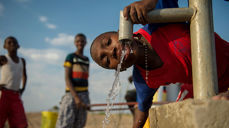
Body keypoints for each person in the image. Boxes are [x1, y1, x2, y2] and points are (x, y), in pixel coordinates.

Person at [90, 0, 229, 127]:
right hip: (203, 85)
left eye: (108, 42)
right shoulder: (143, 78)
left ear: (122, 31)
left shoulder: (156, 22)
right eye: (107, 60)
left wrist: (149, 3)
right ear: (120, 69)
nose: (111, 52)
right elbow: (142, 109)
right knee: (182, 117)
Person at [56, 33, 90, 128]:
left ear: (85, 43)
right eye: (78, 41)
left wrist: (86, 100)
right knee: (66, 122)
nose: (80, 43)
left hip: (84, 94)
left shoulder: (87, 59)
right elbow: (67, 78)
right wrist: (75, 97)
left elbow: (85, 78)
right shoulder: (70, 57)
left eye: (82, 41)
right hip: (71, 94)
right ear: (75, 43)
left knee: (80, 123)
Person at [0, 36, 28, 128]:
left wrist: (22, 89)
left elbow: (24, 75)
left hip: (16, 95)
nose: (12, 44)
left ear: (18, 46)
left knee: (21, 124)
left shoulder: (22, 61)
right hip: (3, 94)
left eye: (14, 42)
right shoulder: (3, 58)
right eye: (9, 42)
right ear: (4, 46)